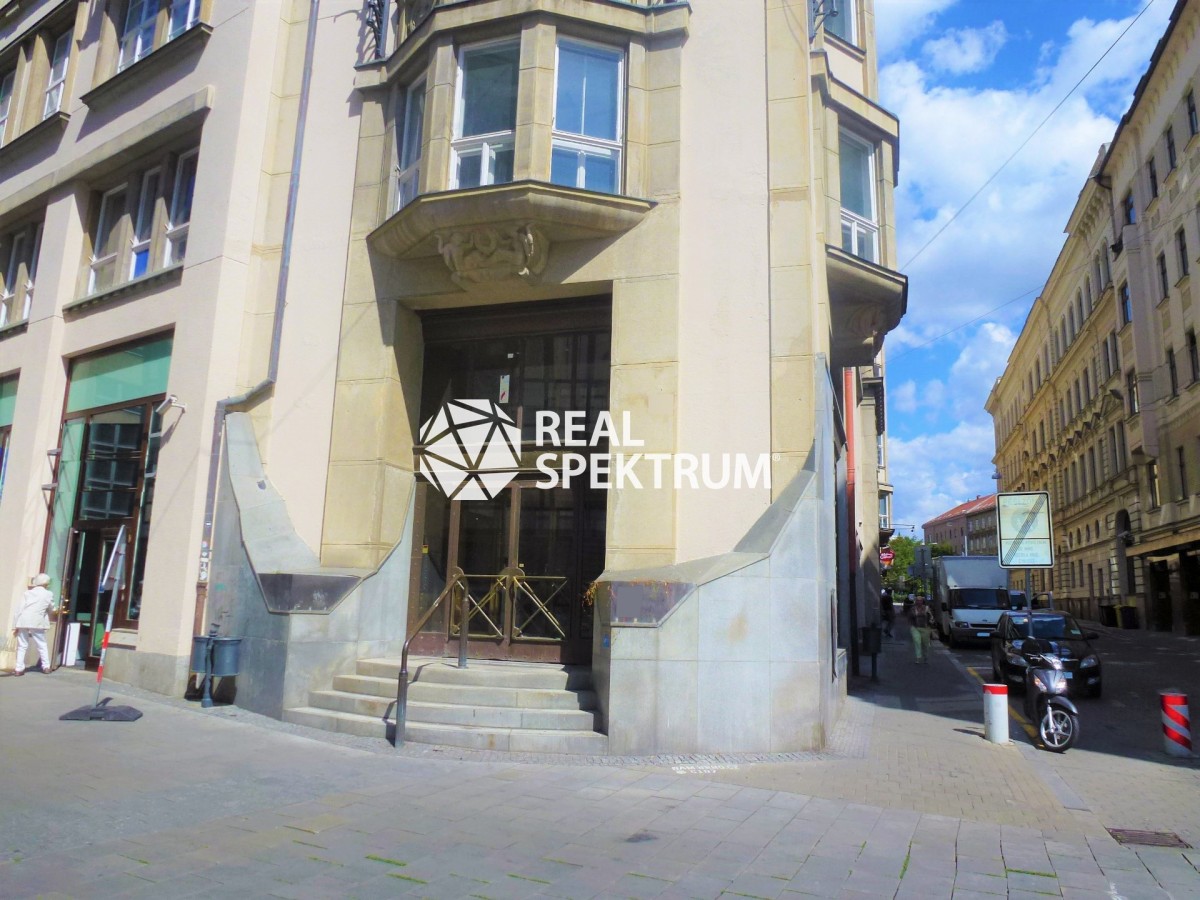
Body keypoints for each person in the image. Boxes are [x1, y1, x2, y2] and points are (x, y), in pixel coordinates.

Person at [10, 574, 58, 676]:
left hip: (23, 620)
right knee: (41, 644)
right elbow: (51, 608)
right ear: (46, 583)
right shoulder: (48, 594)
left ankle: (18, 669)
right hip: (37, 620)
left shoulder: (27, 593)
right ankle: (46, 667)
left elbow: (19, 609)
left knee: (22, 645)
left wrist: (15, 625)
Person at [909, 593, 932, 664]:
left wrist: (930, 621)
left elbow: (931, 617)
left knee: (925, 644)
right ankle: (918, 658)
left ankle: (926, 657)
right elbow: (910, 617)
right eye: (917, 600)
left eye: (920, 600)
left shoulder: (927, 608)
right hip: (915, 627)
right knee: (917, 641)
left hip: (925, 628)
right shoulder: (913, 608)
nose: (919, 602)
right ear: (916, 601)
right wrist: (911, 625)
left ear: (922, 601)